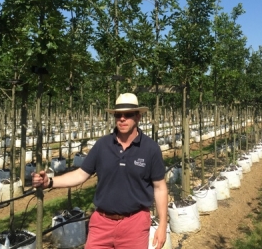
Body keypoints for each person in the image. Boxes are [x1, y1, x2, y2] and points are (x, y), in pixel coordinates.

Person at [32, 93, 168, 249]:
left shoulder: (150, 149)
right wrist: (49, 181)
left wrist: (162, 224)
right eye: (118, 115)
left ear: (138, 117)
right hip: (101, 223)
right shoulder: (102, 145)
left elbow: (160, 188)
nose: (122, 118)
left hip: (135, 224)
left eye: (128, 114)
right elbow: (80, 174)